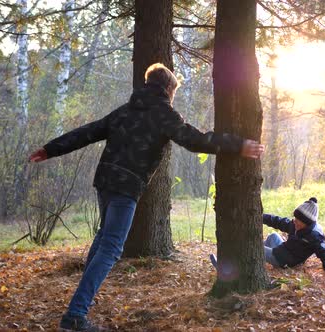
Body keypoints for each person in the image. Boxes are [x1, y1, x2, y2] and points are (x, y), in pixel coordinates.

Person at [29, 63, 264, 332]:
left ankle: (80, 303)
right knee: (111, 248)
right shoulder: (164, 114)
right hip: (126, 186)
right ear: (167, 88)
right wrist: (238, 145)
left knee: (104, 239)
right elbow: (194, 140)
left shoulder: (125, 111)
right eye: (173, 91)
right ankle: (75, 315)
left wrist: (50, 149)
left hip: (105, 181)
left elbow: (87, 132)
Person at [210, 197, 325, 272]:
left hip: (285, 261)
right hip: (283, 251)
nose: (294, 222)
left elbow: (323, 250)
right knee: (273, 236)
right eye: (295, 219)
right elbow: (278, 221)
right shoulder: (296, 225)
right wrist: (260, 217)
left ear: (307, 223)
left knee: (253, 247)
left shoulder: (314, 236)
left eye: (298, 221)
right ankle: (257, 259)